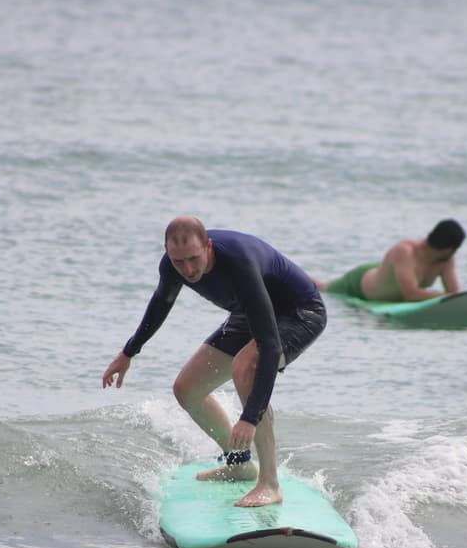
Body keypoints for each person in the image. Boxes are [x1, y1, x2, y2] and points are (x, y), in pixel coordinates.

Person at [102, 216, 326, 508]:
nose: (189, 270)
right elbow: (161, 303)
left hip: (298, 312)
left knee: (246, 367)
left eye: (194, 259)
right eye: (179, 262)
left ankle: (270, 483)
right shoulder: (173, 266)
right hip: (250, 313)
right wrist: (128, 352)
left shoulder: (238, 263)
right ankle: (239, 463)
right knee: (187, 388)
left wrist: (249, 418)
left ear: (208, 246)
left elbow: (269, 345)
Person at [315, 218, 465, 302]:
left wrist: (450, 298)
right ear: (448, 248)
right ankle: (292, 275)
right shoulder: (405, 251)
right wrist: (447, 297)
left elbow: (454, 294)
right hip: (357, 285)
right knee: (323, 288)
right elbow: (411, 294)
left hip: (390, 271)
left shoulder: (446, 260)